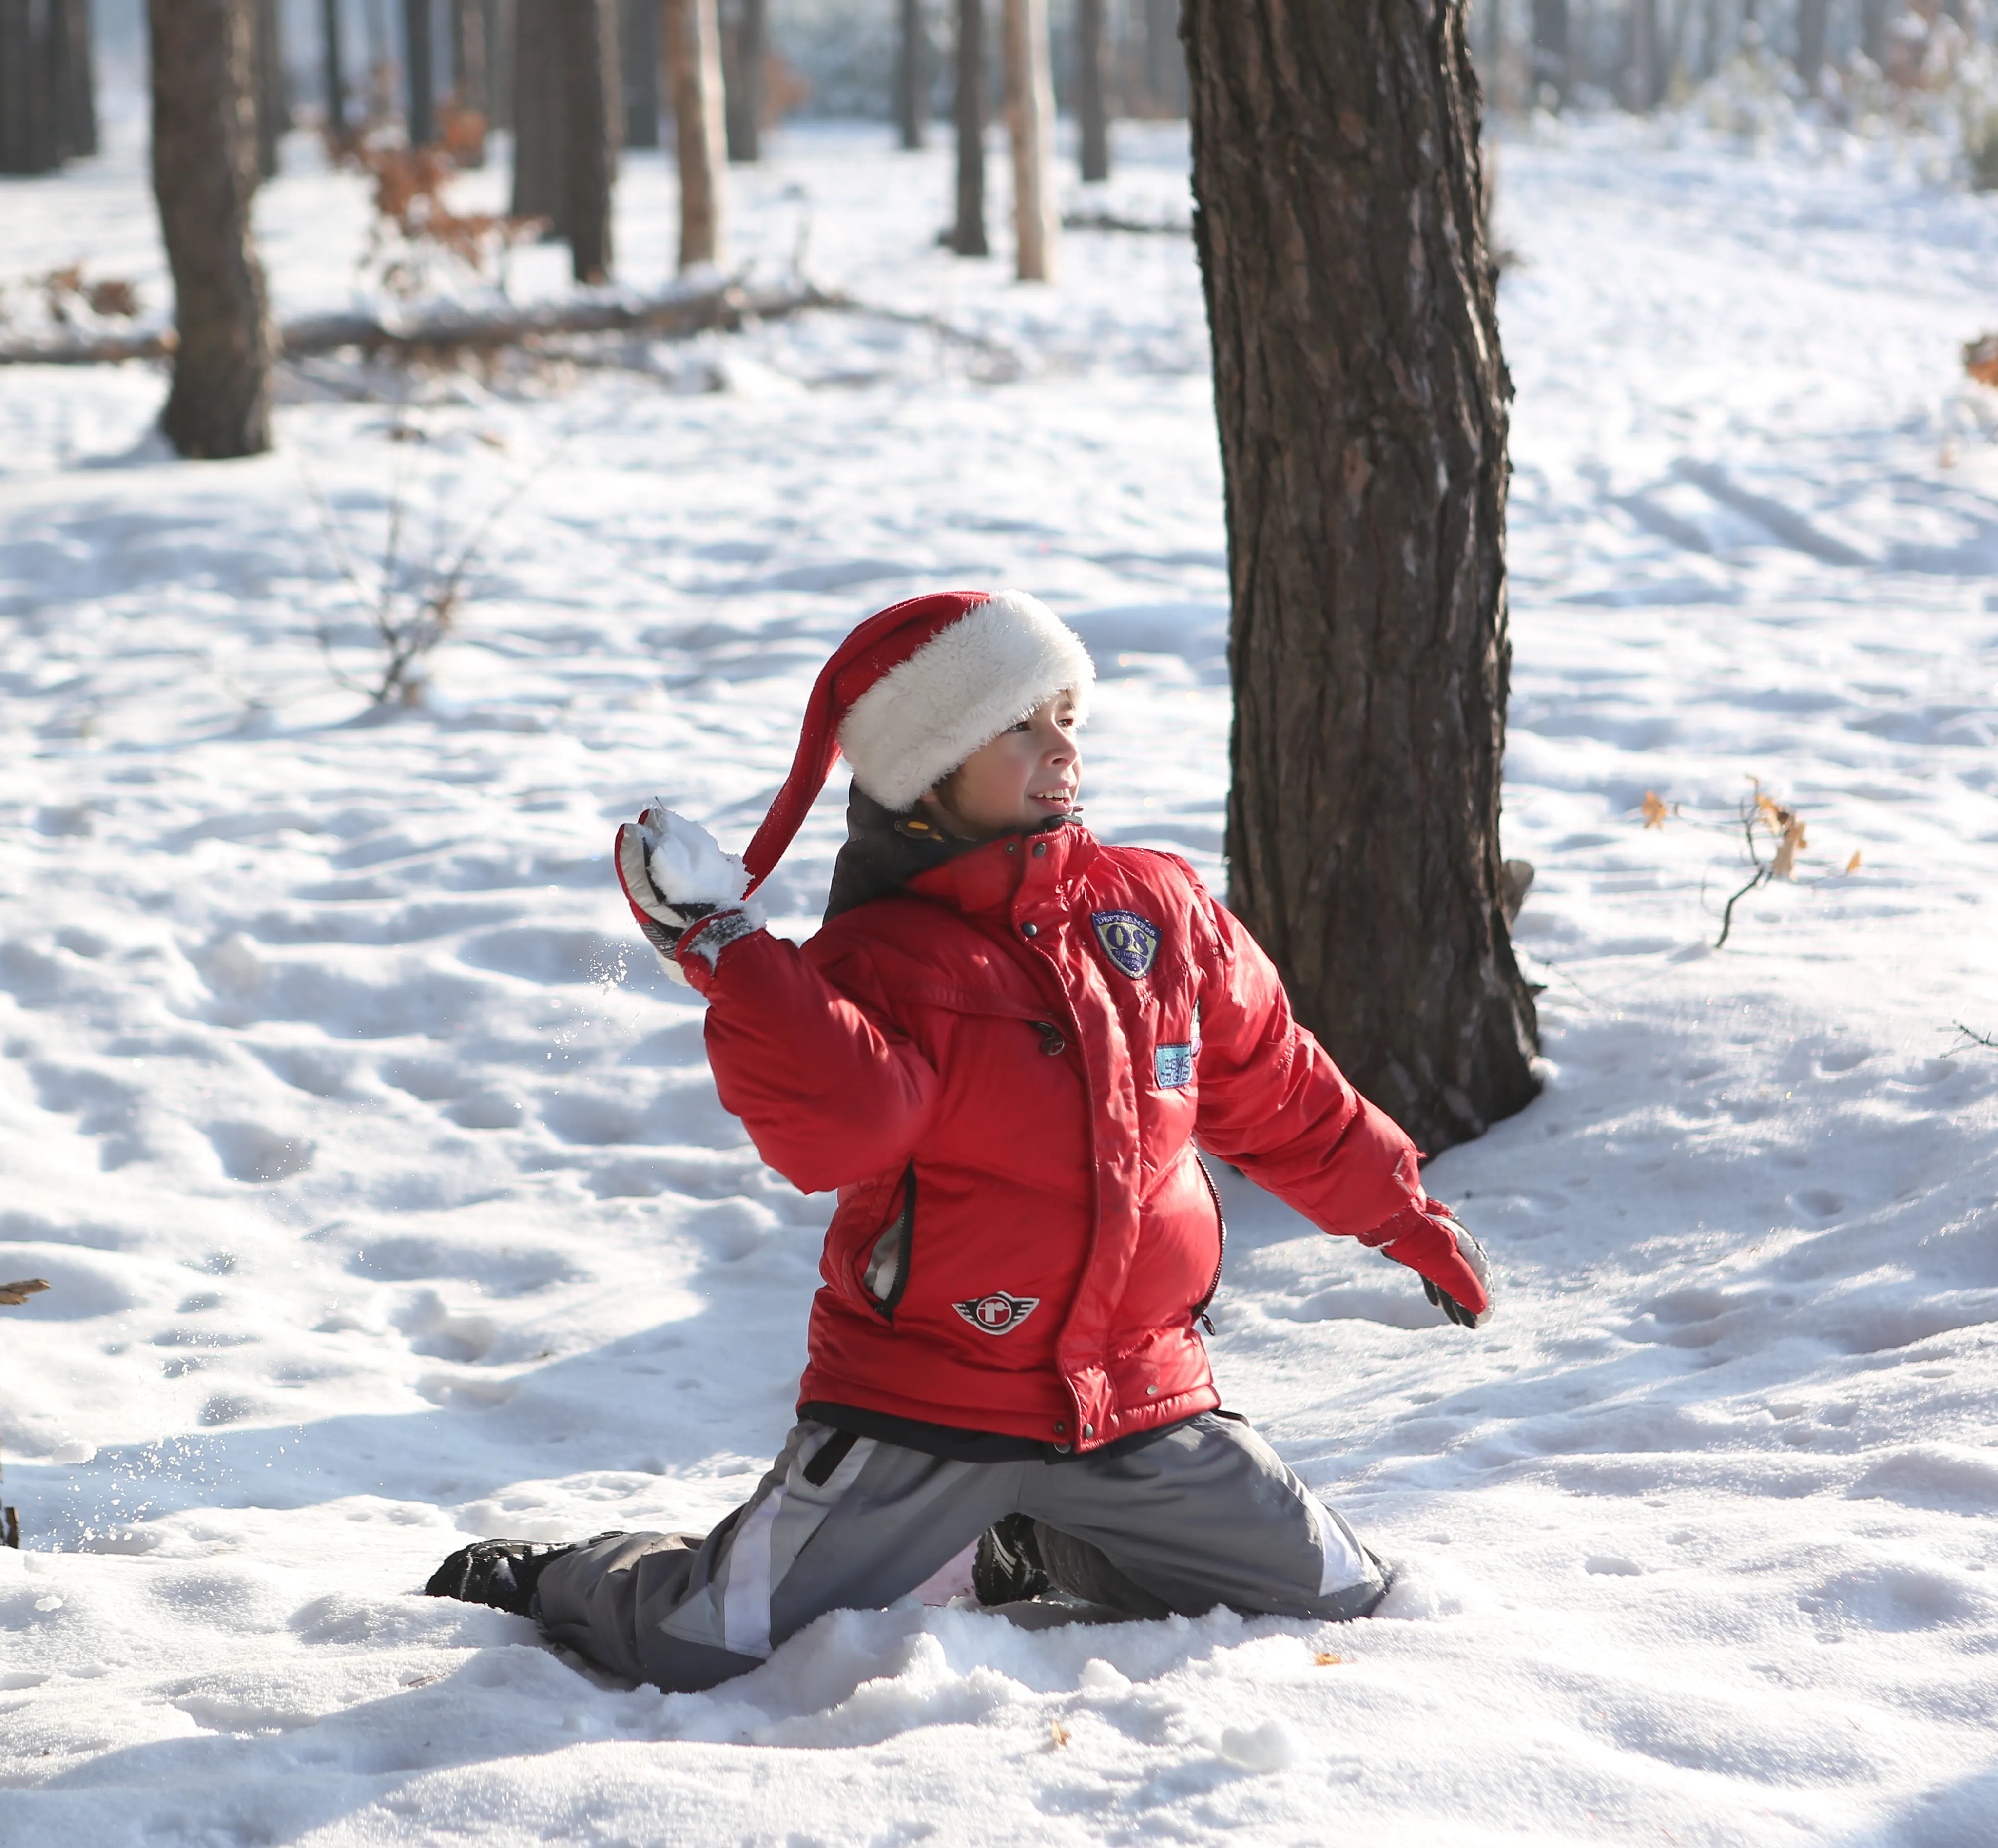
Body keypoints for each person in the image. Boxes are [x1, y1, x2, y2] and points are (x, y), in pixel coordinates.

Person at [424, 589, 1495, 1690]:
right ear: (926, 770)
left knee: (1342, 1599)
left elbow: (1282, 1091)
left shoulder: (1158, 913)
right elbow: (841, 1125)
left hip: (1138, 1400)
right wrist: (730, 950)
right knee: (706, 1642)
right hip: (925, 1410)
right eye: (1018, 724)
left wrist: (1405, 1217)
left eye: (1067, 714)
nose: (1060, 746)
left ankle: (1035, 1539)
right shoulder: (883, 961)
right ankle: (570, 1576)